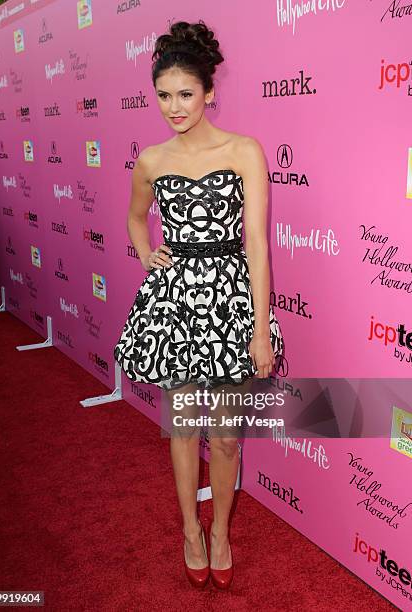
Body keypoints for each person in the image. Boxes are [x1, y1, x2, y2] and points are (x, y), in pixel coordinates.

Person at [114, 19, 283, 589]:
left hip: (233, 299)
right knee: (184, 429)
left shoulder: (244, 150)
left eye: (185, 93)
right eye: (163, 95)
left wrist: (260, 329)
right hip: (175, 303)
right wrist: (146, 255)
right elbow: (136, 219)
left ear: (210, 92)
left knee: (228, 434)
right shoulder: (151, 160)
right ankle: (190, 528)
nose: (173, 106)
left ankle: (221, 532)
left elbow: (257, 244)